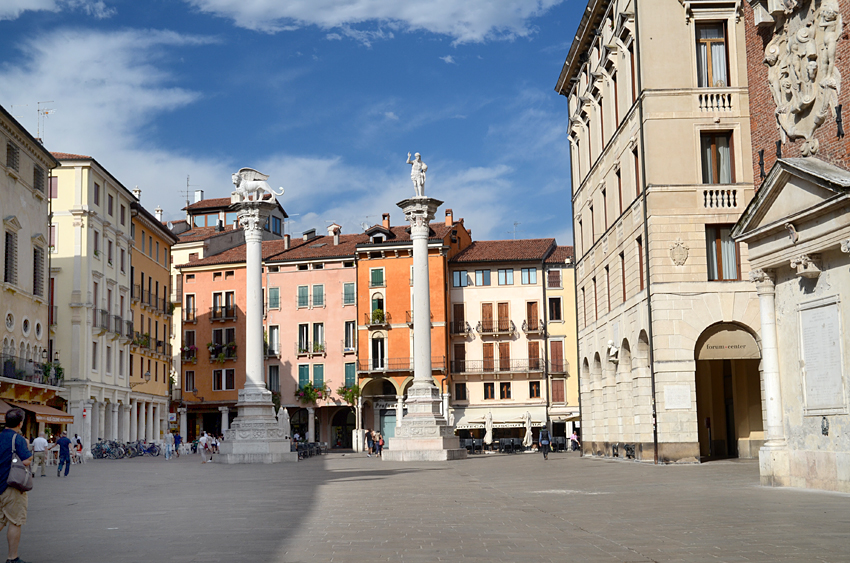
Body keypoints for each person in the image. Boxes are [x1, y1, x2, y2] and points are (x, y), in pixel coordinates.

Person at [0, 409, 32, 563]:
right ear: (20, 423)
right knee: (15, 521)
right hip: (12, 485)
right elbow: (27, 460)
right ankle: (12, 558)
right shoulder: (17, 439)